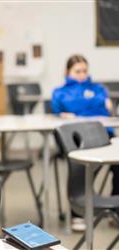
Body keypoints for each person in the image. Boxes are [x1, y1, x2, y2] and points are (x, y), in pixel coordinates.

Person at [51, 54, 118, 231]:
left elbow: (108, 108)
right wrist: (94, 102)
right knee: (82, 168)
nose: (82, 75)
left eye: (84, 71)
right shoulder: (60, 91)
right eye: (77, 71)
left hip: (105, 135)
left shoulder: (98, 88)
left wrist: (83, 106)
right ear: (67, 72)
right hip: (77, 140)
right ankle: (78, 212)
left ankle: (115, 210)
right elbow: (66, 106)